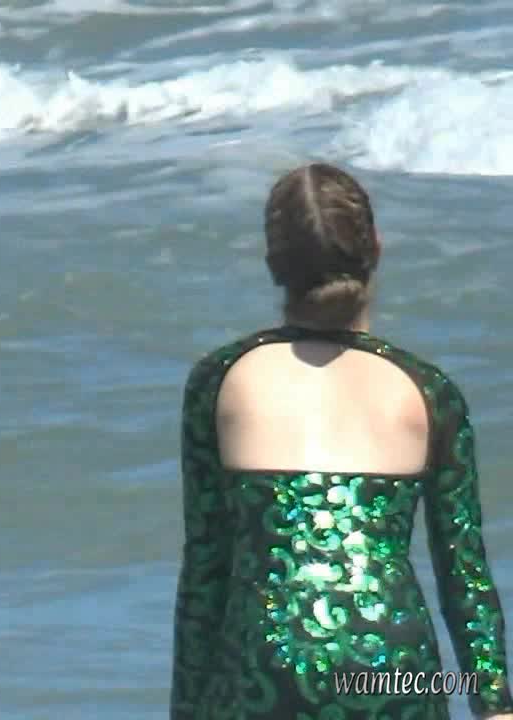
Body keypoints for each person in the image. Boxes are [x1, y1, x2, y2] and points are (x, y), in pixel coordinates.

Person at [170, 163, 513, 719]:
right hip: (395, 669)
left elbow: (206, 570)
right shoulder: (428, 392)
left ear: (273, 264)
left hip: (262, 667)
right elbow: (463, 576)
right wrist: (494, 703)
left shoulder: (220, 381)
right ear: (375, 248)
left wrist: (186, 710)